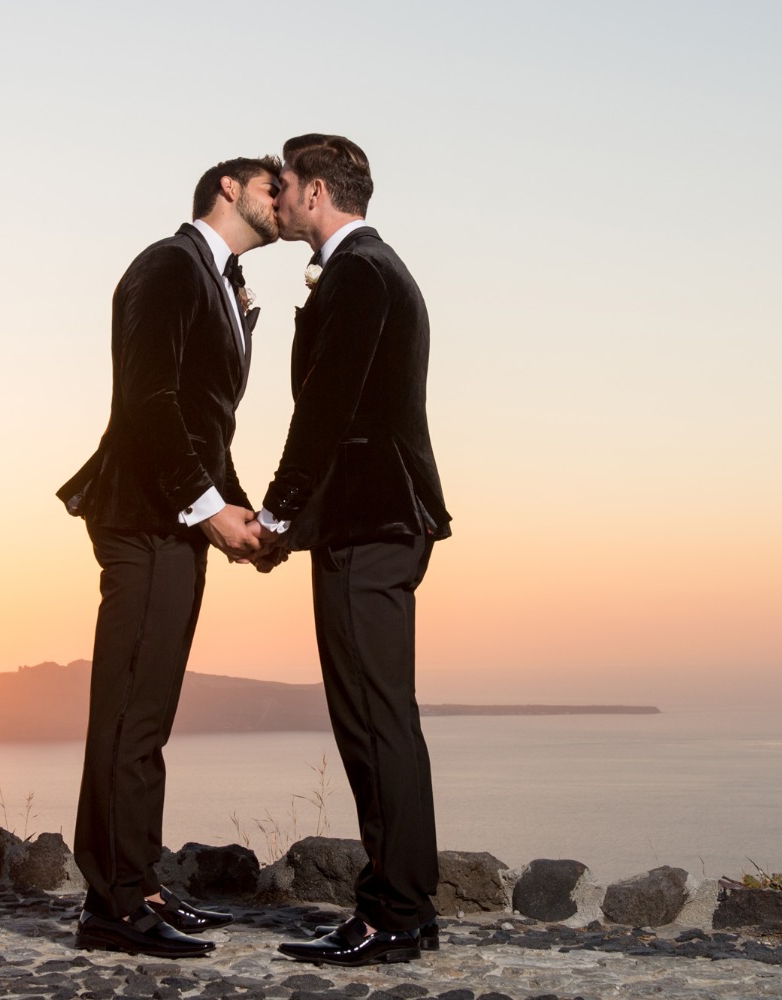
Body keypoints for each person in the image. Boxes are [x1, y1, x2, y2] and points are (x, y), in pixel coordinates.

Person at [56, 154, 281, 957]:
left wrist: (241, 511)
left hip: (176, 518)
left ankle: (139, 882)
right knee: (125, 712)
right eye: (269, 186)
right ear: (228, 189)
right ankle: (111, 904)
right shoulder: (167, 264)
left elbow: (203, 418)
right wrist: (205, 507)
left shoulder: (223, 284)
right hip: (144, 517)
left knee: (147, 716)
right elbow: (148, 400)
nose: (282, 199)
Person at [256, 134, 451, 967]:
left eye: (289, 183)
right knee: (380, 718)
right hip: (373, 521)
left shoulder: (362, 274)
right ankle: (403, 906)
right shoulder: (375, 268)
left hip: (369, 524)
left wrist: (278, 512)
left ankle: (396, 915)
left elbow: (329, 411)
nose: (281, 195)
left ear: (318, 192)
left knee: (374, 720)